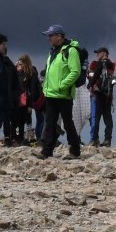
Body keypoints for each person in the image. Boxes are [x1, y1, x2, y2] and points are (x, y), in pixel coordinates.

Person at [39, 24, 83, 159]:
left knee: (68, 123)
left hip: (63, 94)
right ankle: (46, 151)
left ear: (60, 36)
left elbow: (75, 71)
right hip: (51, 93)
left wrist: (62, 85)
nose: (48, 38)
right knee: (50, 123)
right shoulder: (53, 51)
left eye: (50, 36)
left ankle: (75, 151)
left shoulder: (71, 51)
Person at [87, 47, 116, 147]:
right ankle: (107, 140)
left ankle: (94, 139)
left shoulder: (95, 64)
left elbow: (91, 76)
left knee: (95, 118)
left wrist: (91, 85)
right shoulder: (112, 64)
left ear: (104, 53)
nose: (97, 55)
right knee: (108, 118)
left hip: (97, 94)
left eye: (98, 53)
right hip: (108, 95)